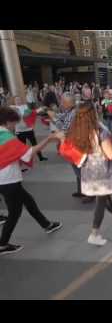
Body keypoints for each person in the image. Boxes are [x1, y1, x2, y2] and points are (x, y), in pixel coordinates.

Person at [61, 101, 112, 246]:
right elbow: (111, 154)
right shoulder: (100, 132)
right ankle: (94, 233)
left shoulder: (77, 130)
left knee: (103, 194)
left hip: (87, 171)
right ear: (93, 113)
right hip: (100, 172)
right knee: (100, 202)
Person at [0, 107, 63, 256]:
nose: (15, 126)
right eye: (14, 123)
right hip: (8, 180)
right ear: (8, 121)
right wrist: (49, 139)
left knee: (28, 201)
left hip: (5, 180)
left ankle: (46, 225)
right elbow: (27, 153)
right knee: (15, 213)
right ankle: (2, 244)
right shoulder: (6, 137)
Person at [47, 93, 94, 203]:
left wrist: (54, 119)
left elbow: (65, 130)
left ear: (70, 103)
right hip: (75, 145)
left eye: (63, 102)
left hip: (78, 146)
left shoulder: (74, 113)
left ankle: (90, 194)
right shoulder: (71, 110)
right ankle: (81, 191)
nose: (61, 104)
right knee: (78, 170)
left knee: (81, 171)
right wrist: (54, 116)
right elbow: (61, 117)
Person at [11, 96, 48, 162]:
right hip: (20, 131)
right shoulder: (12, 108)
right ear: (14, 101)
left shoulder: (25, 106)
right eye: (16, 100)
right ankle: (24, 161)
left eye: (19, 99)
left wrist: (40, 109)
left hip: (29, 130)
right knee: (22, 147)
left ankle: (40, 157)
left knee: (35, 144)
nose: (18, 101)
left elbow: (32, 113)